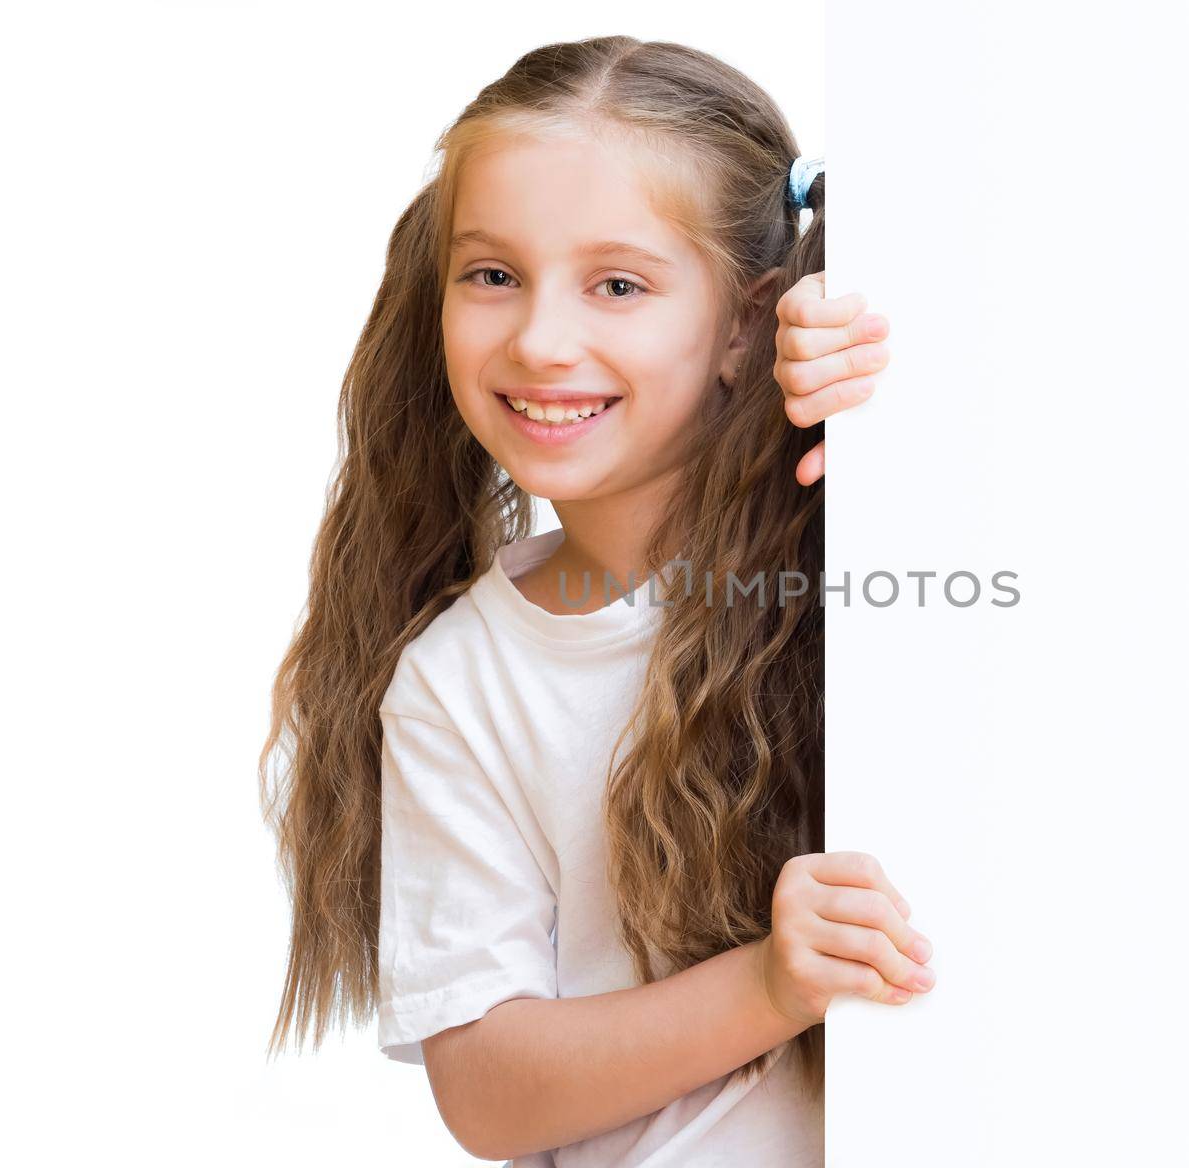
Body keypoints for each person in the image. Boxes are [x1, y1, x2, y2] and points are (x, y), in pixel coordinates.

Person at [258, 35, 935, 1166]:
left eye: (617, 284)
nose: (539, 338)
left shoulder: (860, 528)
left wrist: (896, 372)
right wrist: (768, 984)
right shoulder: (459, 681)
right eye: (492, 275)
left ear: (741, 322)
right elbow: (488, 1092)